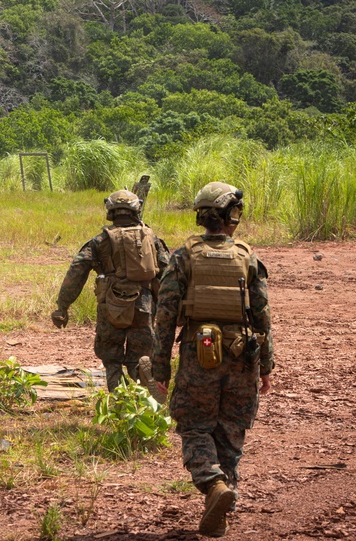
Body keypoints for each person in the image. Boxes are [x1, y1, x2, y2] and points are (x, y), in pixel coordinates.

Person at [151, 182, 274, 538]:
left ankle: (212, 484)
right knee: (231, 433)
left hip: (198, 355)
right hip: (242, 358)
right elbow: (263, 320)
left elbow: (165, 316)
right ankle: (223, 503)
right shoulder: (248, 257)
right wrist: (266, 367)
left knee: (194, 426)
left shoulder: (183, 256)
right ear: (230, 215)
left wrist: (161, 367)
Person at [51, 189, 170, 394]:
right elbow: (168, 273)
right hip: (144, 306)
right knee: (139, 356)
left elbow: (76, 272)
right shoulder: (152, 239)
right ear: (136, 210)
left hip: (111, 308)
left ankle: (119, 404)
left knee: (112, 359)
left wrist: (63, 306)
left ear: (111, 212)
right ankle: (142, 384)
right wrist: (171, 309)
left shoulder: (100, 241)